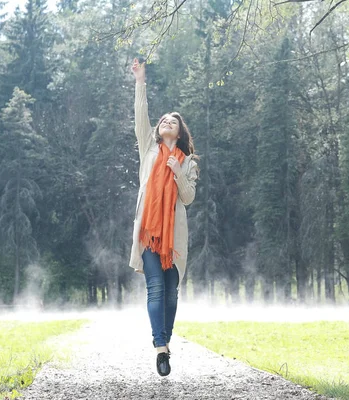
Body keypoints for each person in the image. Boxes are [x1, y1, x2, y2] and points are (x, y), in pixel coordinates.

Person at [129, 57, 200, 377]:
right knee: (156, 287)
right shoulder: (148, 148)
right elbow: (140, 116)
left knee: (172, 291)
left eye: (173, 120)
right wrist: (140, 81)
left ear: (180, 131)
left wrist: (177, 173)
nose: (166, 120)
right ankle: (160, 347)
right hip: (148, 230)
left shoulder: (187, 162)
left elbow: (188, 198)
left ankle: (165, 343)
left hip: (176, 237)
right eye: (164, 119)